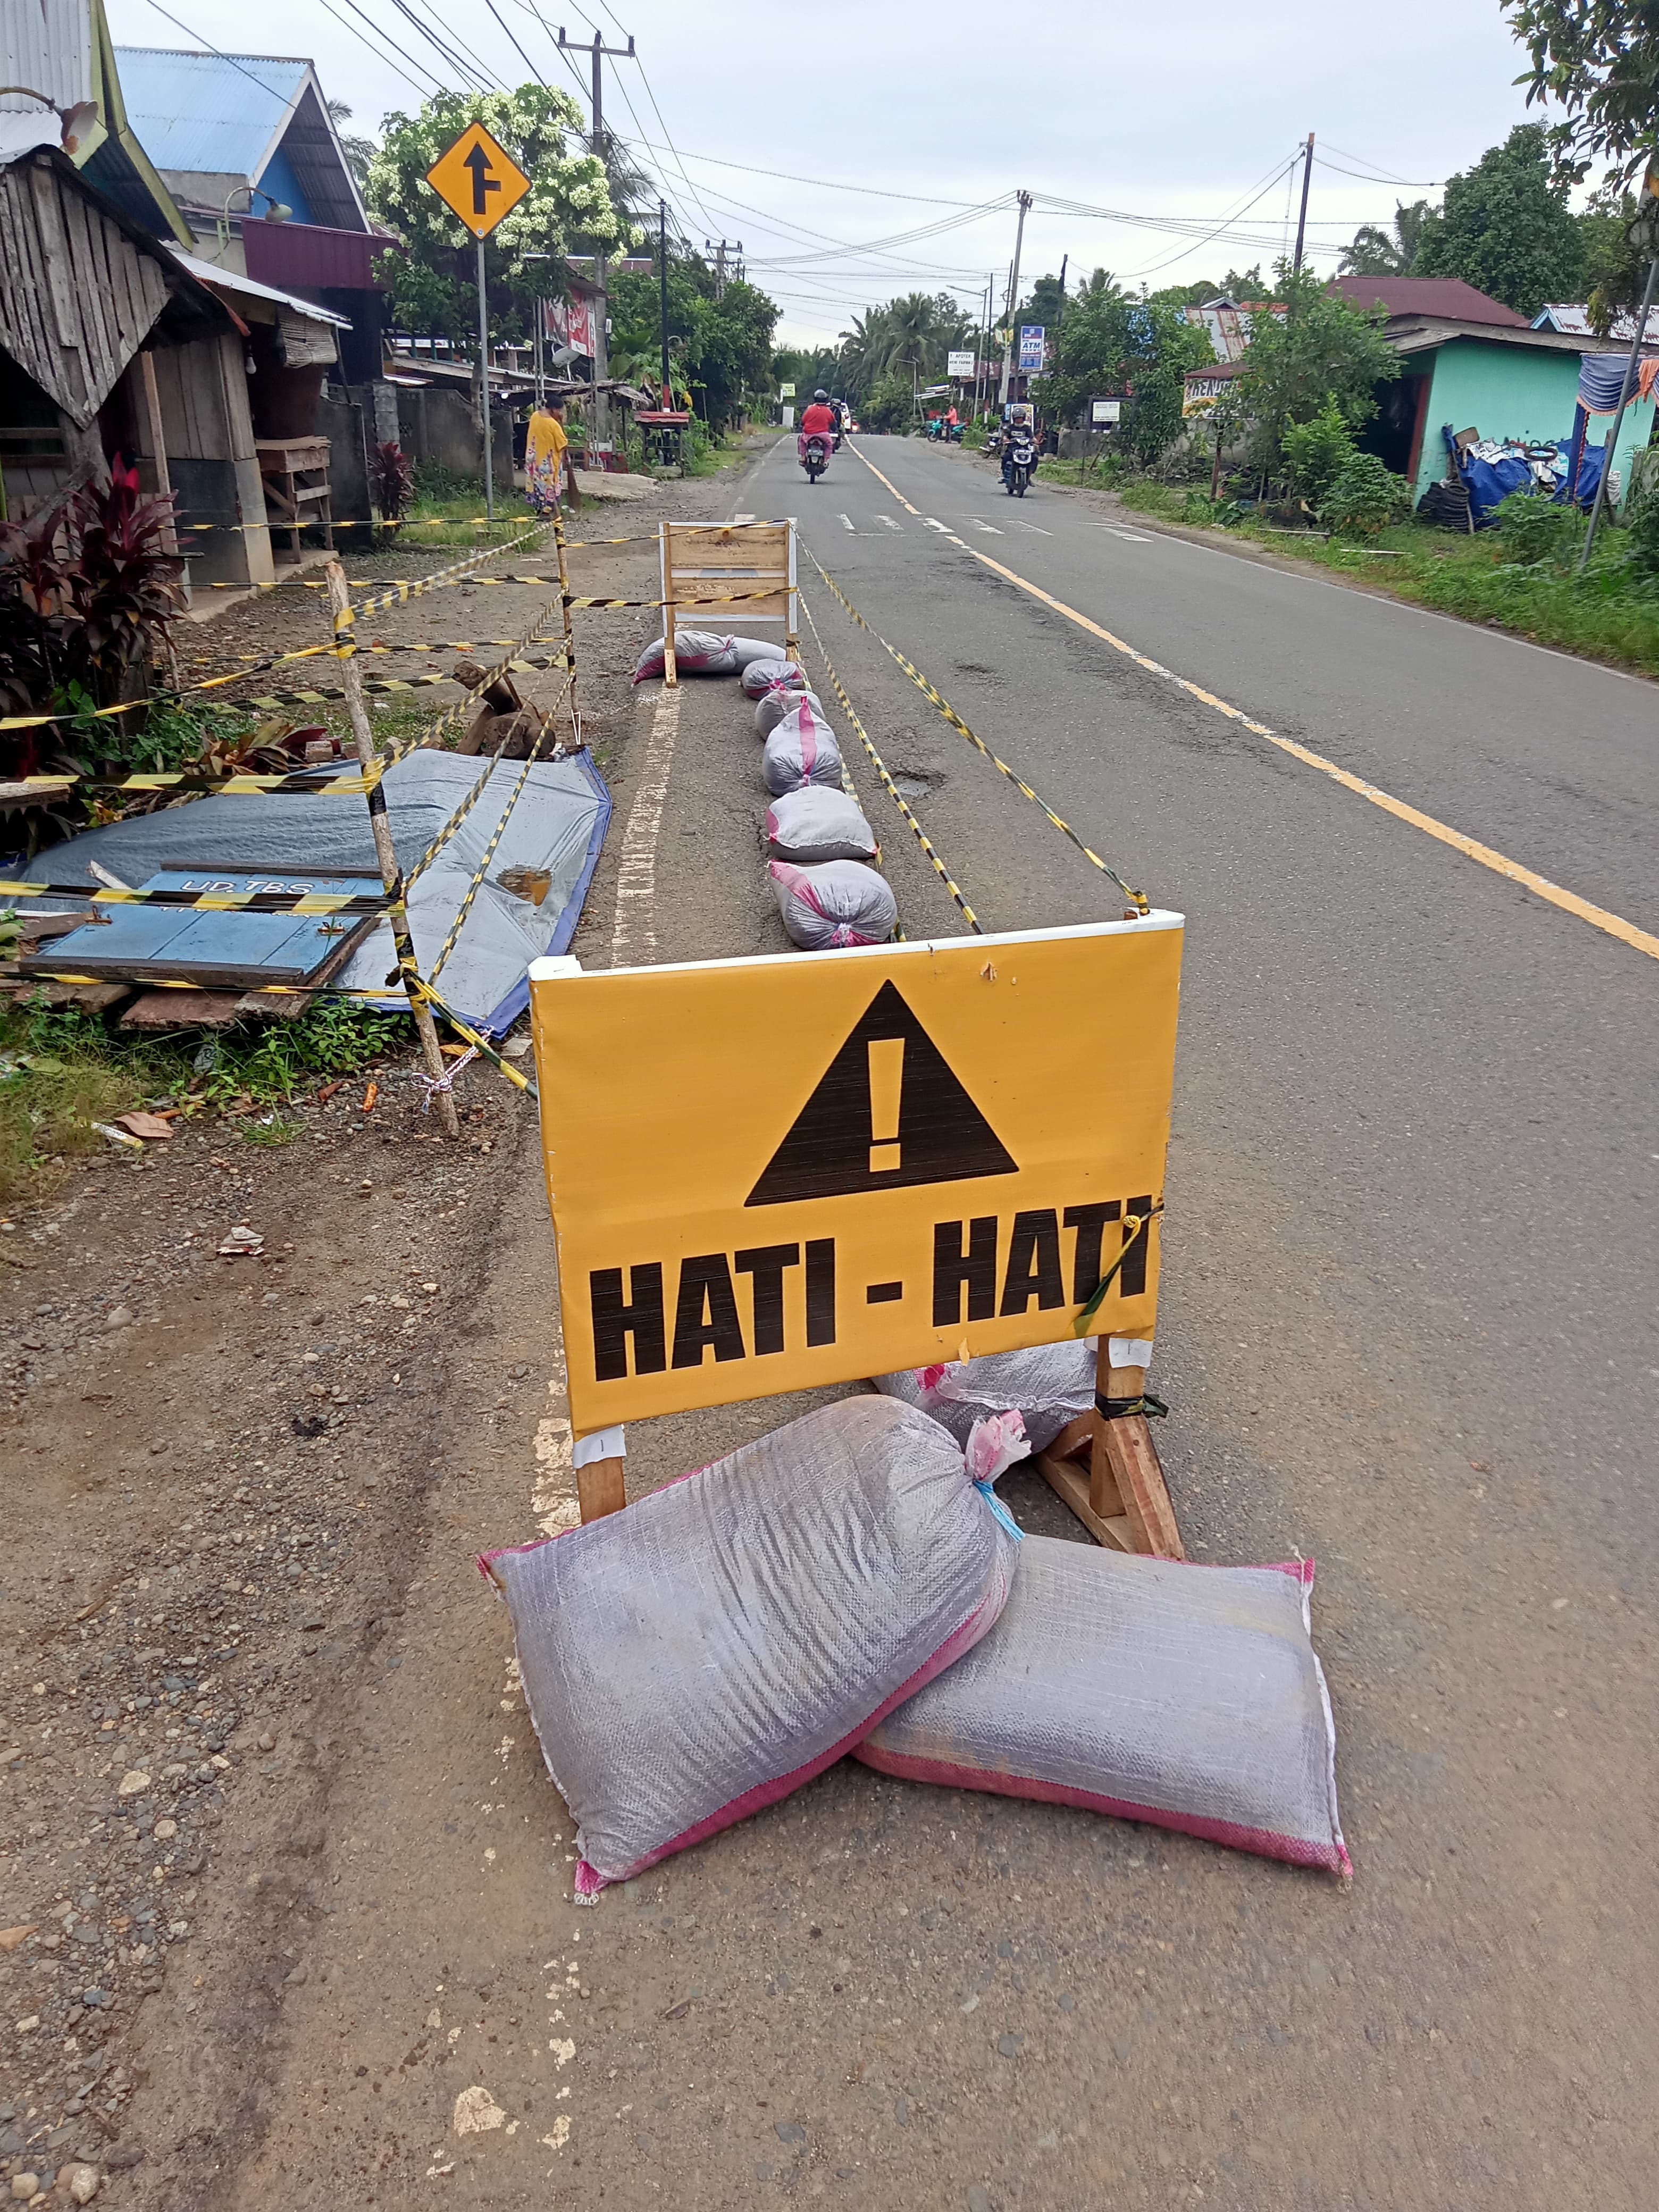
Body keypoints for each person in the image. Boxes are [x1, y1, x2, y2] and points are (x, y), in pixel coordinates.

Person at [525, 396, 569, 515]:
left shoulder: (535, 416)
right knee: (549, 486)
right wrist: (560, 422)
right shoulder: (553, 425)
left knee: (536, 484)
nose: (561, 413)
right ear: (554, 410)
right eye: (560, 411)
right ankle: (547, 512)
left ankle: (539, 510)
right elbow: (563, 443)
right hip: (548, 464)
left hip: (533, 460)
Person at [799, 388, 836, 462]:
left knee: (801, 440)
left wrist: (802, 425)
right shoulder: (828, 411)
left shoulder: (810, 409)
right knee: (829, 445)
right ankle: (826, 461)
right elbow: (833, 423)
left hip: (808, 435)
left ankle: (803, 457)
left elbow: (803, 421)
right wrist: (834, 429)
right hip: (823, 435)